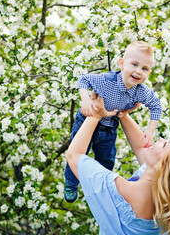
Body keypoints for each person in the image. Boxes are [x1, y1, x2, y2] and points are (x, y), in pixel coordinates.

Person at [65, 92, 170, 234]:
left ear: (162, 167)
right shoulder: (166, 212)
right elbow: (142, 147)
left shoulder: (117, 190)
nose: (160, 140)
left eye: (165, 144)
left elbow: (73, 156)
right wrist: (123, 115)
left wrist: (95, 115)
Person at [64, 41, 162, 202]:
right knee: (79, 154)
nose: (138, 71)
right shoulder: (106, 80)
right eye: (134, 64)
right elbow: (83, 80)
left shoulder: (141, 91)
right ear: (122, 64)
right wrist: (85, 101)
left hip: (109, 126)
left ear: (149, 73)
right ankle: (71, 183)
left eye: (144, 68)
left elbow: (156, 106)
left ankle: (101, 189)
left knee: (107, 159)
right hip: (88, 120)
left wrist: (150, 131)